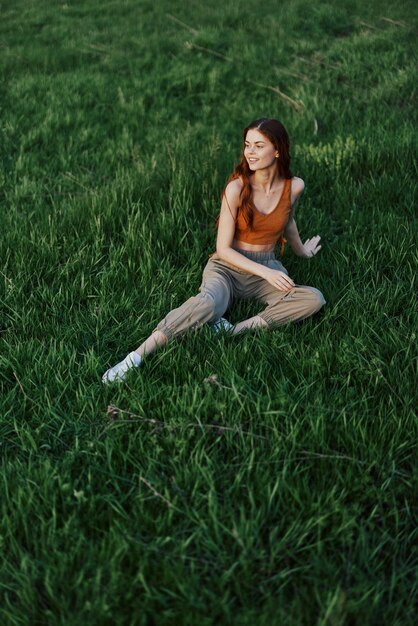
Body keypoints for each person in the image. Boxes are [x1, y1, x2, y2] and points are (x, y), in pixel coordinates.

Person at [102, 118, 325, 383]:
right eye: (247, 145)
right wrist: (266, 272)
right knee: (207, 304)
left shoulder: (294, 186)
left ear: (277, 150)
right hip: (227, 267)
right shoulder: (237, 188)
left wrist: (302, 252)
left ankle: (231, 331)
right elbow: (223, 248)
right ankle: (134, 358)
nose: (250, 152)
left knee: (313, 298)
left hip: (265, 267)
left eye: (258, 146)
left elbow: (287, 220)